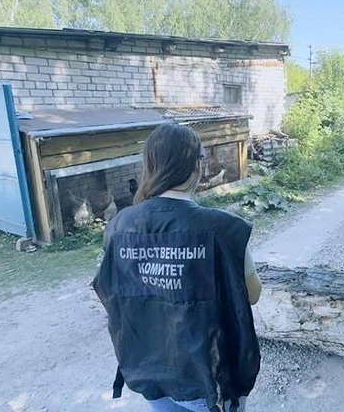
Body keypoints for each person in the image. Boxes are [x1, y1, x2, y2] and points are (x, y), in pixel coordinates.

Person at [92, 123, 263, 412]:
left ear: (150, 167)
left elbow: (108, 292)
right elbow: (253, 294)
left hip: (148, 373)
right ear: (196, 166)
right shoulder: (223, 229)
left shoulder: (118, 226)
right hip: (208, 381)